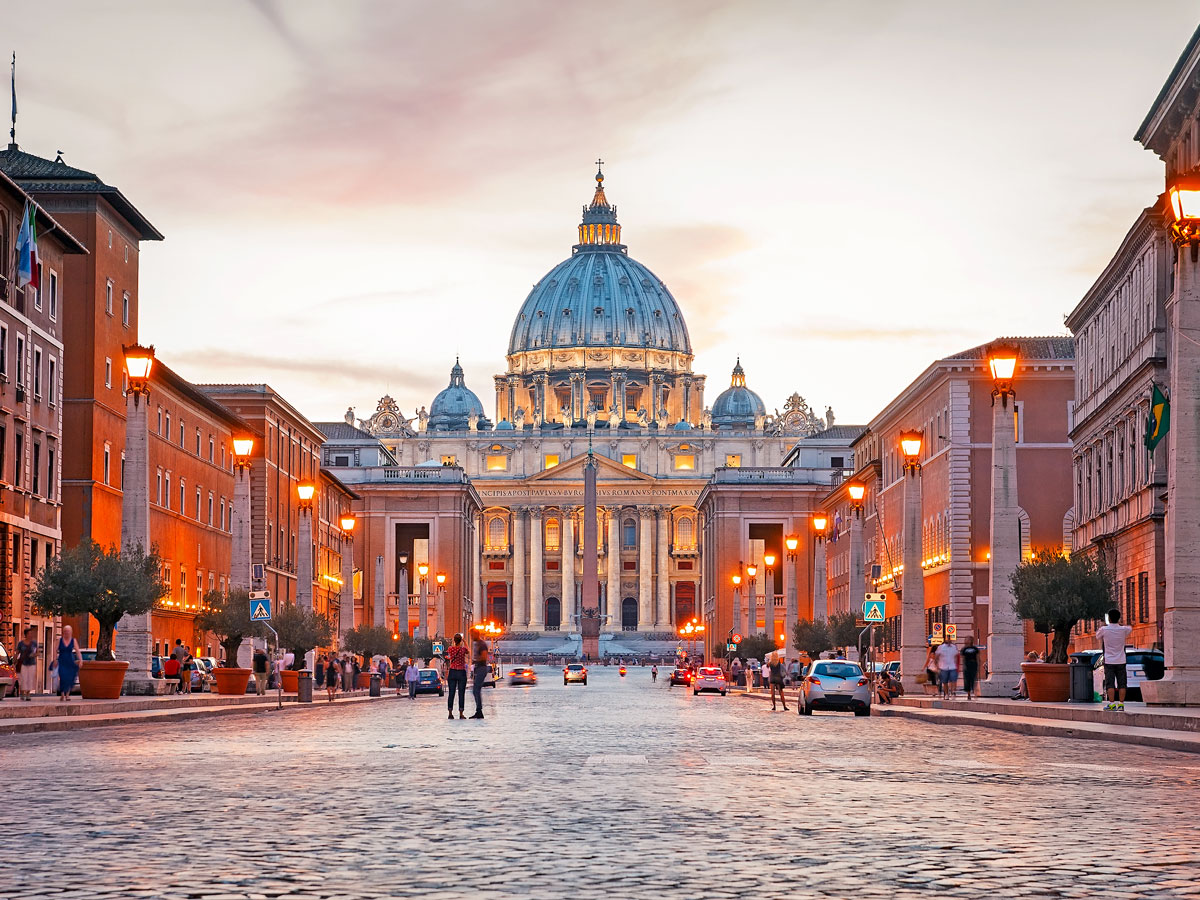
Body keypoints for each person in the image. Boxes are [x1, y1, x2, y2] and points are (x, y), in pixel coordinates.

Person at [1096, 606, 1134, 711]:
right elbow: (1130, 628)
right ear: (1119, 618)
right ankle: (1121, 704)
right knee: (1122, 683)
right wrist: (1120, 624)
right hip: (1121, 660)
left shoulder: (1104, 630)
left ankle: (1112, 704)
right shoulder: (1123, 630)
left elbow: (1097, 636)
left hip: (1109, 660)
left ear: (1109, 618)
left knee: (1110, 683)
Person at [51, 625, 82, 701]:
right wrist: (55, 660)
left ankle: (67, 694)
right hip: (62, 660)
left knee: (69, 678)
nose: (67, 633)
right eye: (65, 631)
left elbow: (78, 651)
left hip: (70, 661)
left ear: (71, 632)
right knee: (62, 677)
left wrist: (81, 660)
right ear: (63, 632)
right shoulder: (60, 640)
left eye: (68, 631)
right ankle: (62, 694)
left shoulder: (73, 640)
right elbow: (55, 650)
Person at [444, 633, 470, 720]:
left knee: (451, 693)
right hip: (461, 672)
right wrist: (465, 642)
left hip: (452, 671)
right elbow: (468, 650)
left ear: (454, 641)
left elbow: (448, 656)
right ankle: (461, 713)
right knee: (461, 693)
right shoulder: (463, 649)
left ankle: (450, 712)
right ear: (461, 640)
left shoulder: (451, 648)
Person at [469, 632, 489, 720]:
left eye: (472, 635)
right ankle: (478, 710)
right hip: (478, 668)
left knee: (476, 689)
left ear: (476, 635)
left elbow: (484, 657)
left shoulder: (482, 644)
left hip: (481, 668)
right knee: (475, 690)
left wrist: (475, 660)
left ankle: (479, 711)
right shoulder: (477, 644)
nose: (471, 637)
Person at [15, 626, 38, 701]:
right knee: (23, 679)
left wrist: (34, 655)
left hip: (32, 663)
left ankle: (28, 694)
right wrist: (14, 661)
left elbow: (37, 652)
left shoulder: (34, 643)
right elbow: (17, 652)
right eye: (29, 633)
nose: (30, 635)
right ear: (26, 635)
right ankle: (22, 693)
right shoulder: (21, 644)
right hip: (23, 663)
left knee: (30, 679)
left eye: (31, 633)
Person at [960, 635, 981, 700]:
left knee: (973, 679)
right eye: (967, 639)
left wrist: (978, 665)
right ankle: (968, 694)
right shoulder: (964, 649)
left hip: (974, 664)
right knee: (967, 680)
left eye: (969, 639)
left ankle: (975, 692)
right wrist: (963, 666)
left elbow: (978, 657)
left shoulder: (975, 649)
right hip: (967, 665)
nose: (968, 640)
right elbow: (962, 658)